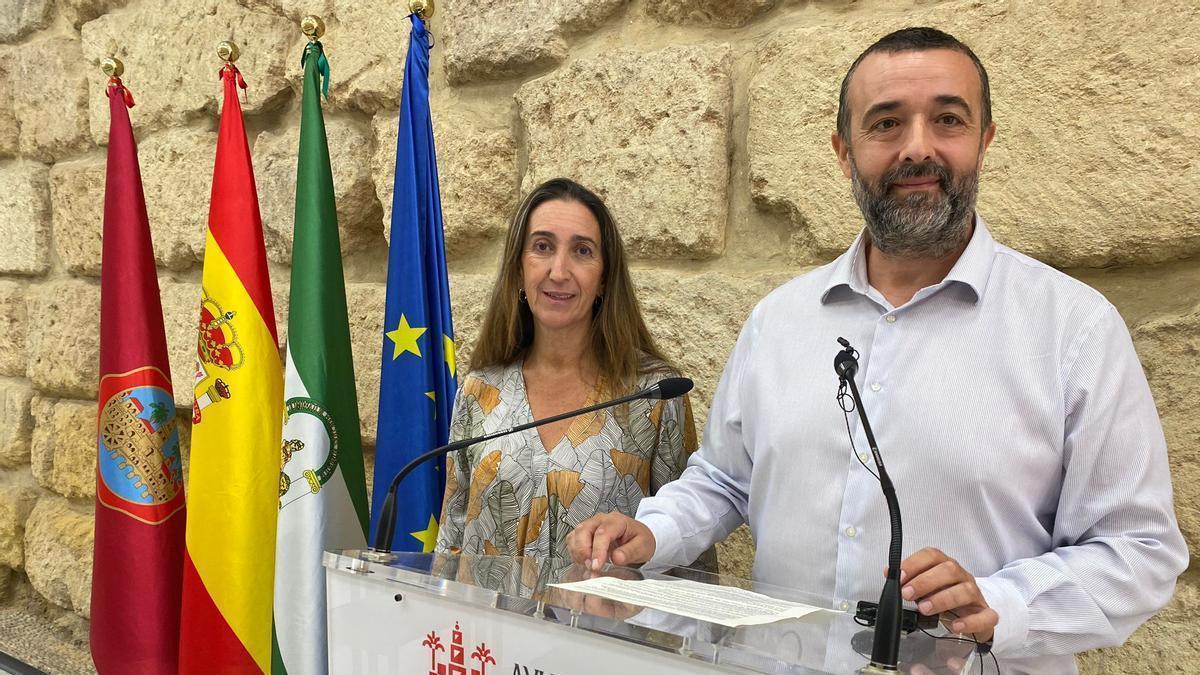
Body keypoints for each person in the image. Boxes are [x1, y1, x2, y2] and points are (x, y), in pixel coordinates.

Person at [568, 27, 1187, 673]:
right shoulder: (779, 320)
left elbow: (1137, 549)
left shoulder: (1073, 328)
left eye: (947, 119)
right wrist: (655, 532)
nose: (917, 147)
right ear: (844, 151)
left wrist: (1002, 603)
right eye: (885, 123)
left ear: (985, 140)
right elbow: (726, 478)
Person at [435, 177, 714, 570]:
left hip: (600, 630)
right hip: (488, 629)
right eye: (542, 247)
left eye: (582, 251)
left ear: (604, 278)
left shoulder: (653, 396)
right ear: (518, 269)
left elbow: (686, 550)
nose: (559, 270)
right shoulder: (481, 389)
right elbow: (451, 541)